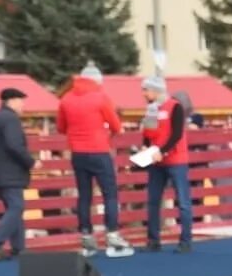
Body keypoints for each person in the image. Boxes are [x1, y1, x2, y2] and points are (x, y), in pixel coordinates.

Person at [56, 62, 128, 257]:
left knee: (84, 195)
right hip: (99, 150)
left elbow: (61, 127)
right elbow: (116, 124)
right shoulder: (101, 97)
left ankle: (87, 235)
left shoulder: (66, 99)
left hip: (78, 153)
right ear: (97, 81)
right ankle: (112, 234)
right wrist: (107, 133)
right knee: (109, 193)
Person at [140, 76, 194, 253]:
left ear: (156, 91)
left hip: (175, 160)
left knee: (183, 201)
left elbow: (177, 134)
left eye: (146, 90)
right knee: (153, 200)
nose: (144, 94)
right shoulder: (150, 110)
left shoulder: (174, 107)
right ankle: (153, 240)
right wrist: (145, 148)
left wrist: (162, 151)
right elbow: (148, 133)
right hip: (156, 161)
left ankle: (185, 240)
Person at [0, 87, 34, 260]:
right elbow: (14, 145)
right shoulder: (11, 119)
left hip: (0, 172)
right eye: (21, 101)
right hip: (12, 172)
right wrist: (30, 161)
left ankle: (19, 248)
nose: (23, 105)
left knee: (14, 209)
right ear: (12, 100)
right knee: (16, 207)